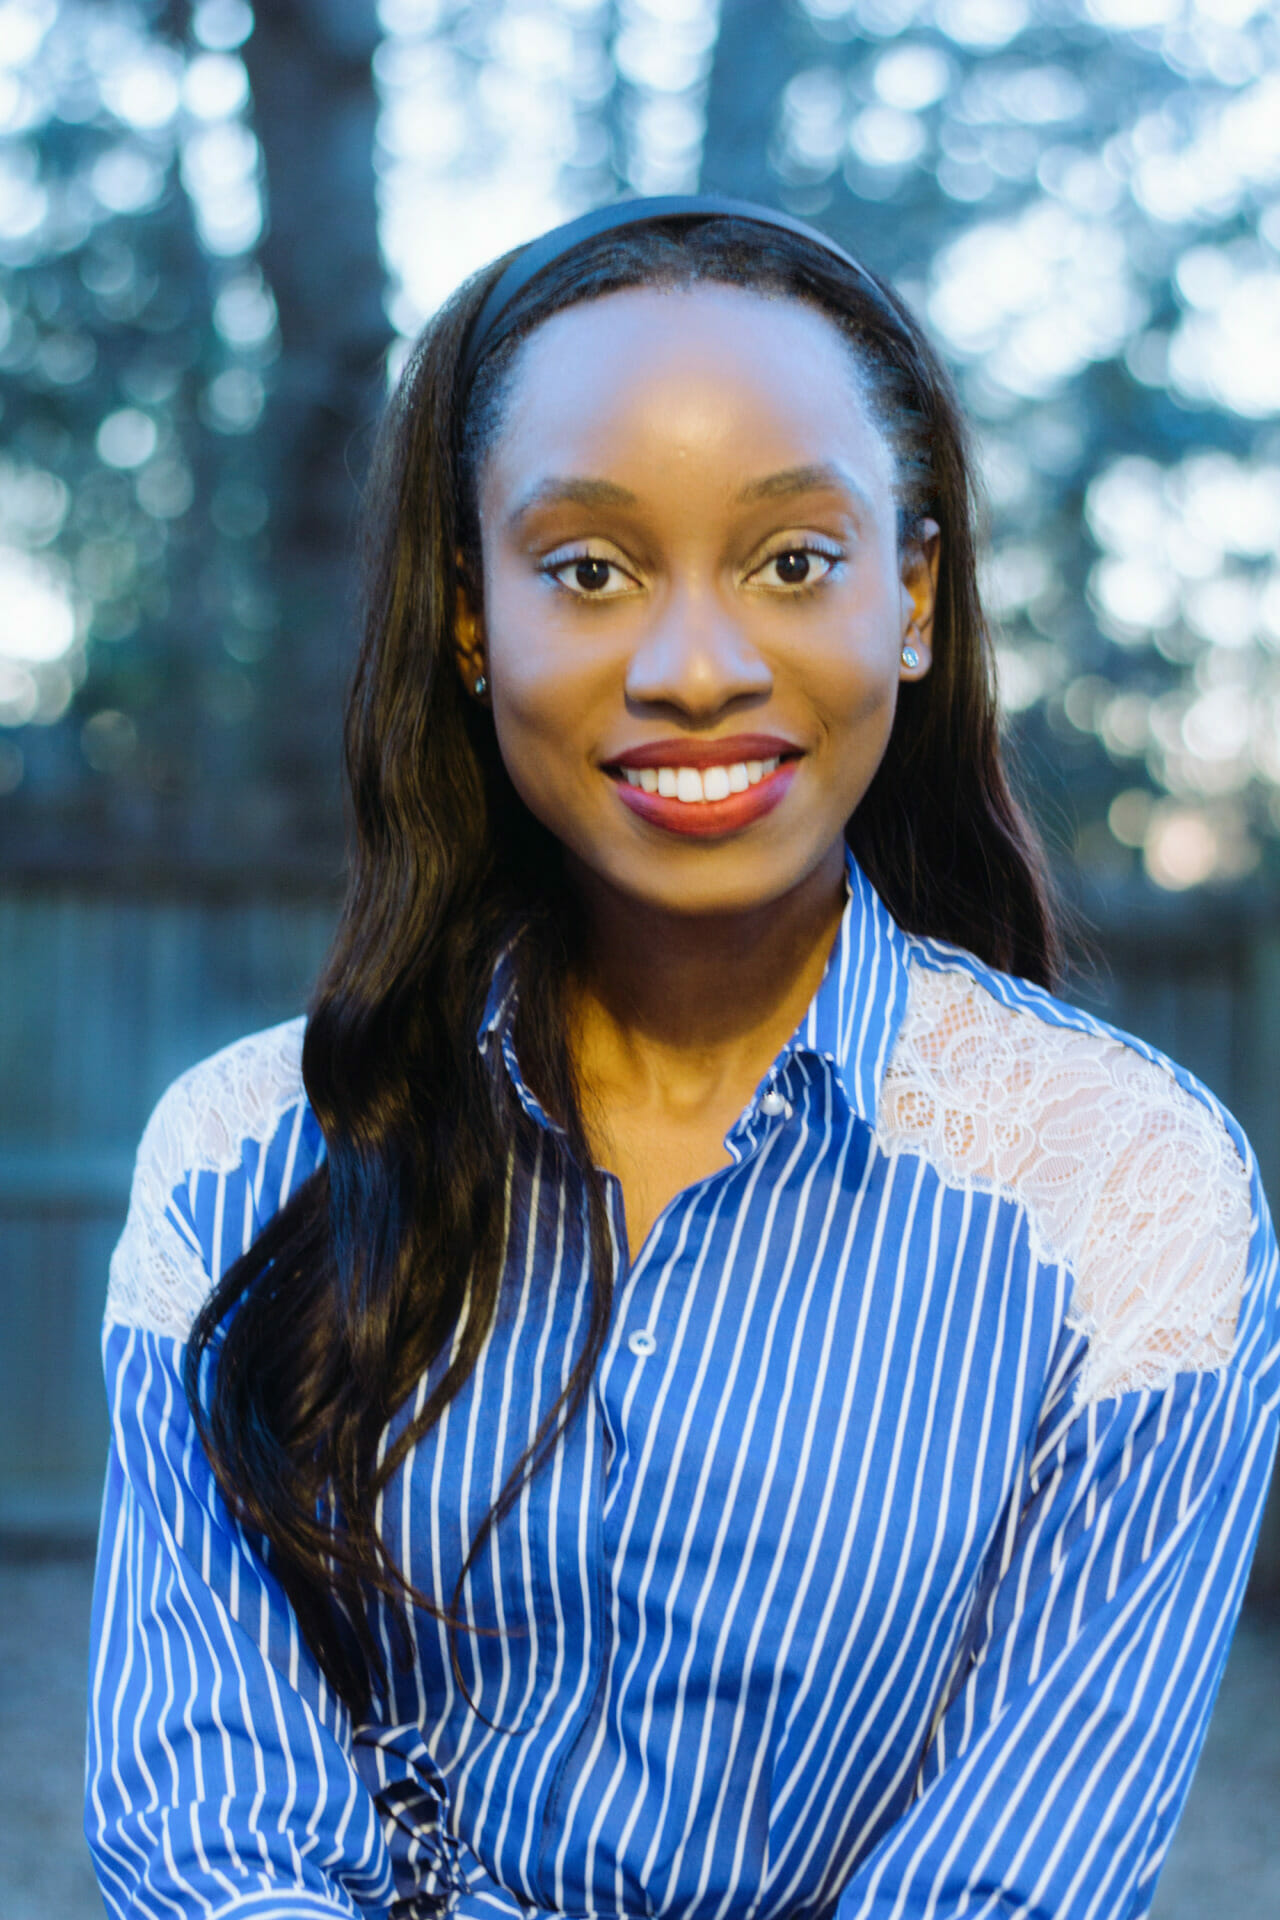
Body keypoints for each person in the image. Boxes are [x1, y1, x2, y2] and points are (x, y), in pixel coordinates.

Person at [86, 197, 1279, 1920]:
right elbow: (208, 1839)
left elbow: (1008, 1882)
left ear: (916, 595)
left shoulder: (1133, 1203)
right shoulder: (237, 1157)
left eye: (796, 561)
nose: (697, 668)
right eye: (588, 569)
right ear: (473, 616)